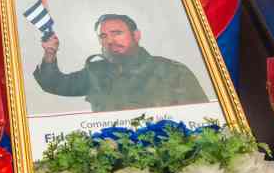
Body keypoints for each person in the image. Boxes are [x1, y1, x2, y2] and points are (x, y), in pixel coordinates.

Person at [33, 13, 208, 112]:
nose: (110, 40)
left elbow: (200, 117)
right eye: (104, 36)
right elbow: (54, 84)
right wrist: (50, 53)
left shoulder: (172, 71)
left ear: (136, 35)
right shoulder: (95, 72)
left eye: (117, 33)